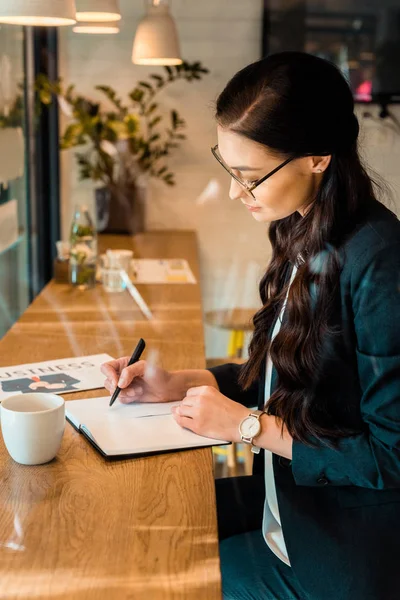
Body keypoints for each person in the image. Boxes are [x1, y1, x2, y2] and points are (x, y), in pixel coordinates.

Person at [101, 52, 400, 600]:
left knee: (154, 575)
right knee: (127, 529)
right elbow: (293, 375)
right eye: (229, 169)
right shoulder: (302, 229)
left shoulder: (379, 261)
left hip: (337, 553)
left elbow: (392, 455)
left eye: (250, 177)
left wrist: (248, 427)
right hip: (283, 503)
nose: (237, 193)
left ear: (317, 158)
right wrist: (186, 382)